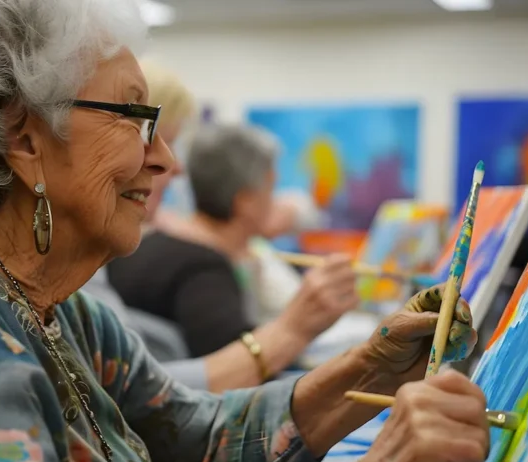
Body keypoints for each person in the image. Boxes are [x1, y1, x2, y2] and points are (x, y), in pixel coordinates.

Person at [0, 1, 485, 462]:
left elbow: (193, 439)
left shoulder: (48, 301)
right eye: (136, 117)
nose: (166, 160)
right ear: (22, 137)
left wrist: (374, 366)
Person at [108, 124, 358, 358]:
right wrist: (297, 327)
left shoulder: (155, 247)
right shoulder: (203, 268)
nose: (277, 202)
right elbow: (239, 367)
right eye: (271, 189)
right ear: (245, 201)